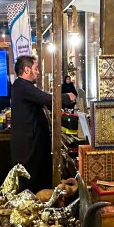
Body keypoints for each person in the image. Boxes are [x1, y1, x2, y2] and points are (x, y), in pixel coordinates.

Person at [10, 55, 75, 192]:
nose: (38, 72)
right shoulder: (22, 86)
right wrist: (66, 97)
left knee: (36, 177)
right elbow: (45, 98)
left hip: (32, 141)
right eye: (36, 68)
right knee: (30, 180)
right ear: (27, 70)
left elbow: (41, 100)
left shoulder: (22, 86)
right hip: (29, 145)